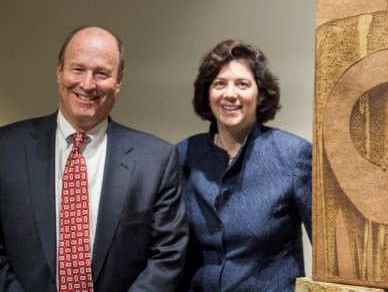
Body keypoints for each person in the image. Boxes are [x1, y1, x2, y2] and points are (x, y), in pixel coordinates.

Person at [0, 26, 188, 291]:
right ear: (59, 71)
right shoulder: (5, 149)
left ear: (119, 80)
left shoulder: (157, 161)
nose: (87, 84)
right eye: (77, 69)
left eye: (101, 73)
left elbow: (168, 257)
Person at [177, 39, 312, 291]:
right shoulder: (184, 154)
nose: (230, 94)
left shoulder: (294, 155)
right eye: (220, 84)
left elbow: (330, 252)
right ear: (207, 94)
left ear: (260, 93)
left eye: (242, 84)